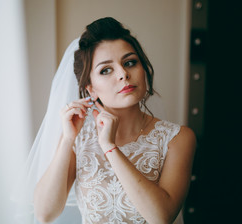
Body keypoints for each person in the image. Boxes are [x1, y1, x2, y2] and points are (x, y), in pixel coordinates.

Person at [20, 17, 196, 224]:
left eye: (130, 62)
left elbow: (161, 217)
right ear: (91, 89)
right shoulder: (79, 138)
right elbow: (44, 214)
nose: (123, 74)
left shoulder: (178, 138)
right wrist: (68, 140)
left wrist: (109, 146)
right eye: (106, 70)